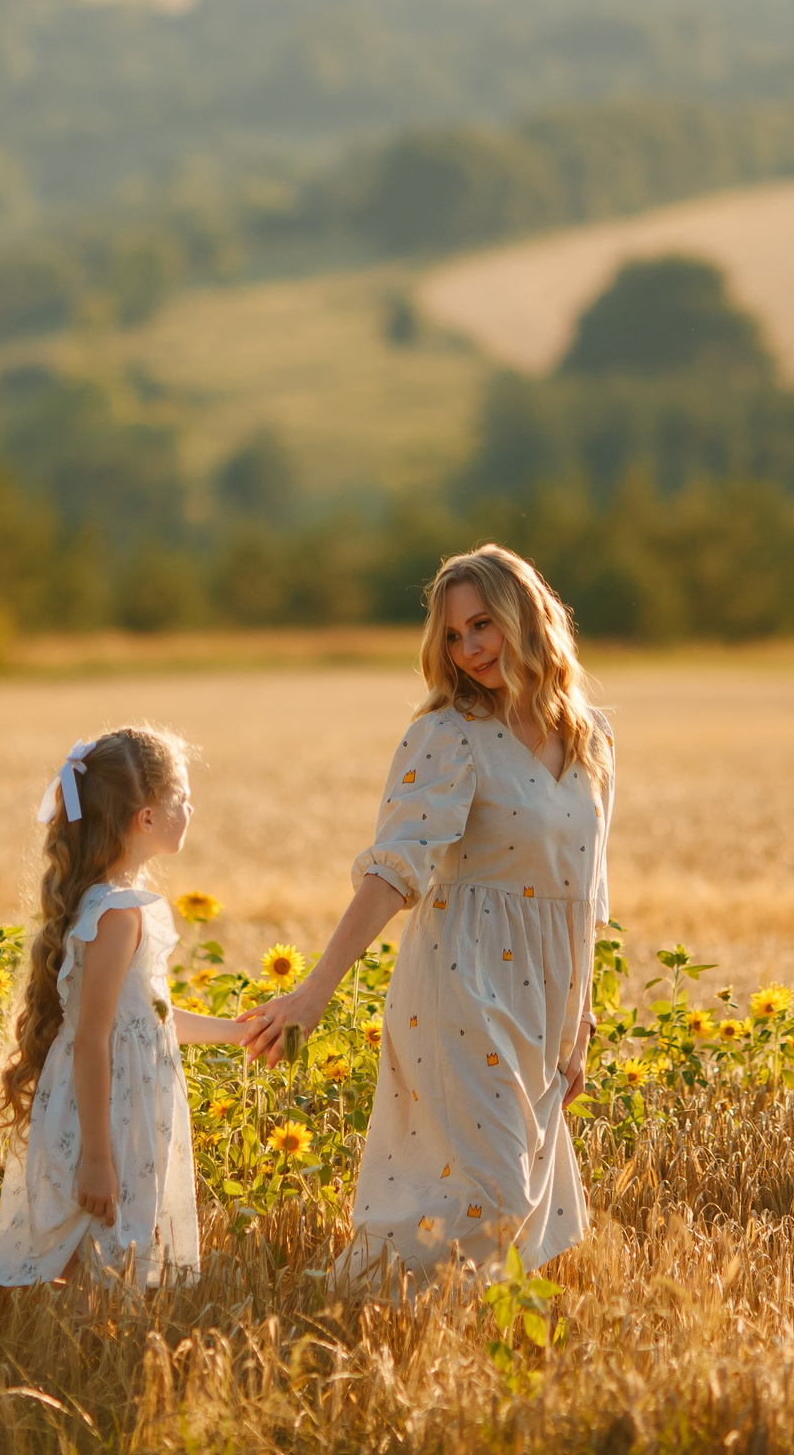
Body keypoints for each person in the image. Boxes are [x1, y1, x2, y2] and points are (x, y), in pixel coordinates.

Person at [239, 545, 616, 1280]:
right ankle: (372, 1320)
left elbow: (587, 886)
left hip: (545, 997)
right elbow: (390, 874)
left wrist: (581, 1017)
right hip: (461, 984)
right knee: (497, 1196)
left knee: (514, 1213)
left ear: (527, 617)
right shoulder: (447, 735)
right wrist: (314, 992)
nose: (468, 647)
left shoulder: (593, 736)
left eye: (482, 625)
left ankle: (449, 1364)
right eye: (451, 635)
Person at [0, 726, 245, 1287]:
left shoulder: (111, 903)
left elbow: (146, 1021)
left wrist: (238, 1032)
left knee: (105, 1251)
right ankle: (69, 1364)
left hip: (117, 1099)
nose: (191, 807)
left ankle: (80, 1360)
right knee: (95, 1252)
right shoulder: (118, 914)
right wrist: (98, 1156)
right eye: (180, 798)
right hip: (107, 1111)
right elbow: (94, 1038)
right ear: (146, 819)